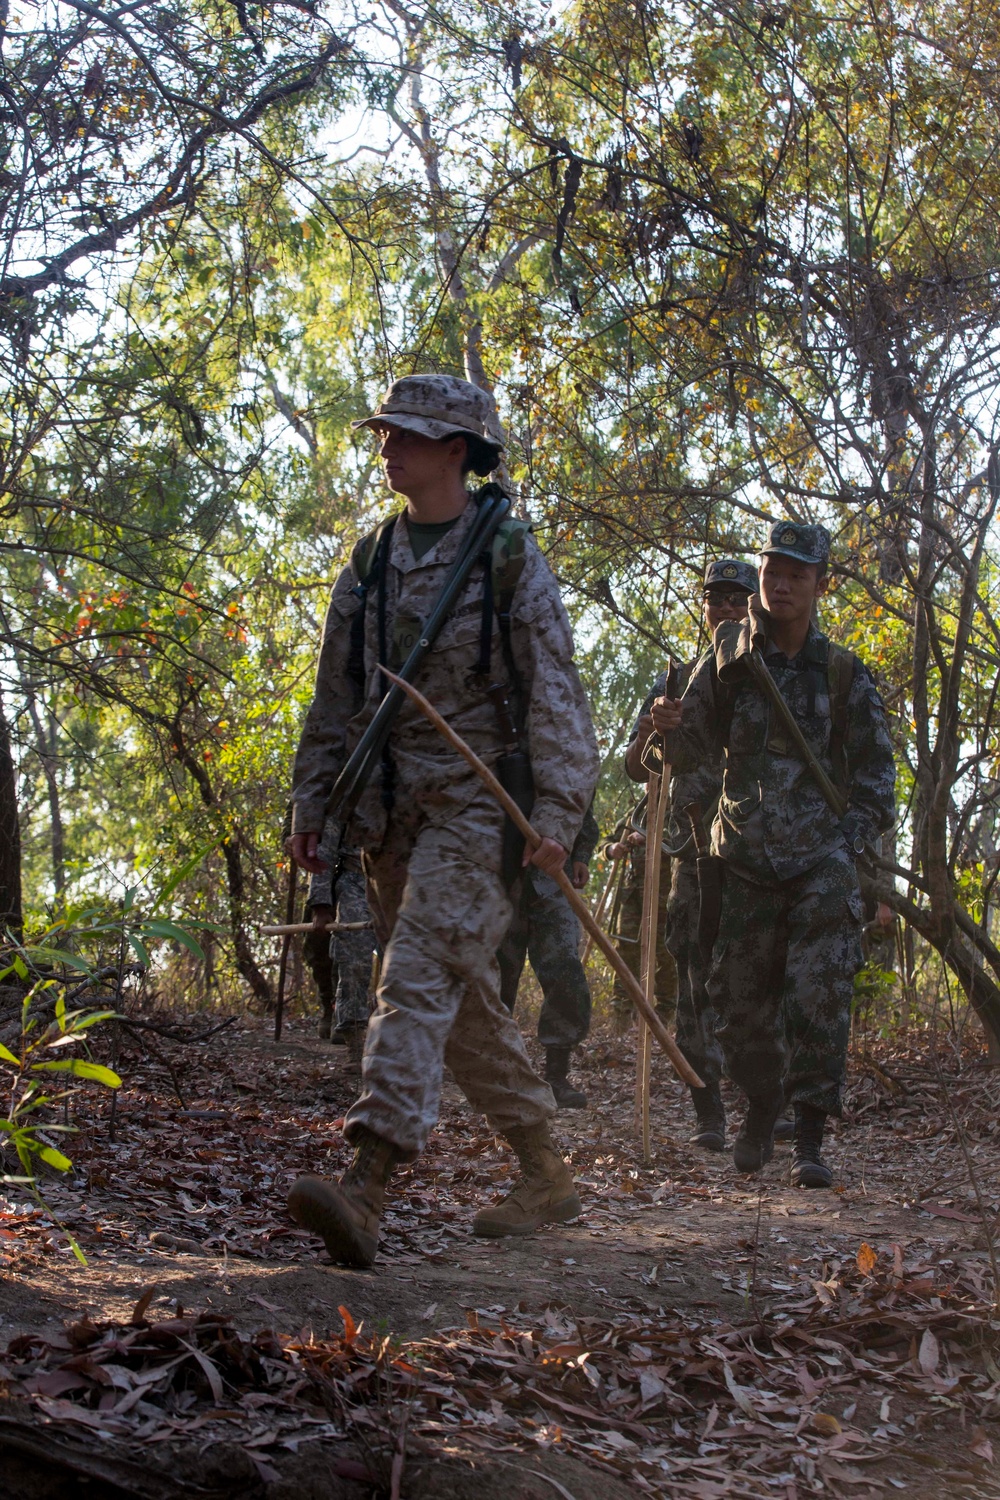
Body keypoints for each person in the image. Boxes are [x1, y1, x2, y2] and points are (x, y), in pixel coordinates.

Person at [285, 374, 600, 1266]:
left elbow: (557, 698)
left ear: (457, 452)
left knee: (417, 974)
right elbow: (335, 698)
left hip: (481, 808)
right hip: (392, 815)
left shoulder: (507, 555)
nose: (387, 446)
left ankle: (368, 1186)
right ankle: (546, 1172)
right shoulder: (372, 561)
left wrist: (558, 820)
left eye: (407, 435)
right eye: (384, 432)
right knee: (459, 1004)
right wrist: (315, 803)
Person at [653, 522, 896, 1187]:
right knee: (737, 1002)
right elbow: (684, 752)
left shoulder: (844, 672)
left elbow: (878, 778)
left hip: (821, 865)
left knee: (819, 996)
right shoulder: (730, 659)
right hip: (743, 862)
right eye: (772, 572)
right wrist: (666, 729)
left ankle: (810, 1139)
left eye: (796, 574)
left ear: (822, 584)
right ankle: (762, 1108)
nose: (780, 584)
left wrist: (845, 851)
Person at [624, 559, 758, 1150]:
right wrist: (659, 730)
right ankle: (708, 1107)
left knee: (760, 975)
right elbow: (634, 766)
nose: (727, 609)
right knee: (696, 973)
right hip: (694, 851)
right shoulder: (676, 680)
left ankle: (765, 1102)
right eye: (717, 600)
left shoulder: (772, 678)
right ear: (704, 609)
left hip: (764, 854)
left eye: (738, 599)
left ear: (755, 605)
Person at [497, 802, 600, 1108]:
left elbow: (581, 805)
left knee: (565, 970)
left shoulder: (571, 755)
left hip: (555, 877)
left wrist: (581, 854)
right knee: (497, 972)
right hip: (503, 871)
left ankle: (556, 1075)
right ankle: (495, 1068)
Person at [303, 814, 373, 1065]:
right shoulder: (351, 789)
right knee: (352, 959)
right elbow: (326, 849)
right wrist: (321, 903)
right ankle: (355, 1043)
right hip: (355, 880)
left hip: (404, 882)